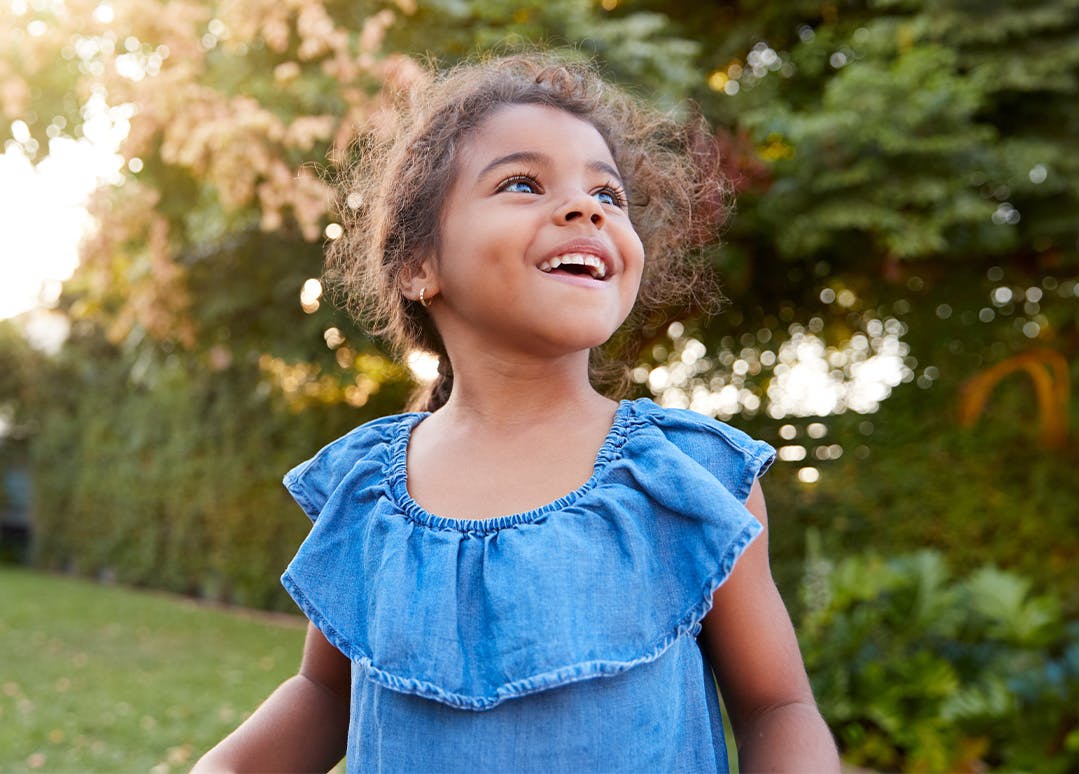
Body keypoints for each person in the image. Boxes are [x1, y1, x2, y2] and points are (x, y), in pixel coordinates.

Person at [193, 52, 839, 773]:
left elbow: (778, 707)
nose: (586, 207)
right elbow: (322, 695)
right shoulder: (370, 490)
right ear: (418, 266)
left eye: (609, 195)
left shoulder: (688, 480)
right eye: (523, 183)